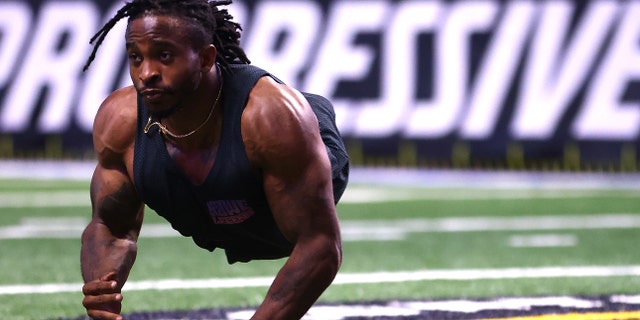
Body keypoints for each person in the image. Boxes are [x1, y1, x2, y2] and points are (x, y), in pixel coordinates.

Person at [79, 0, 349, 319]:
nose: (146, 73)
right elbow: (109, 224)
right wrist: (102, 289)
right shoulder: (120, 122)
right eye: (136, 58)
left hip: (294, 152)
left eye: (164, 56)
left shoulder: (269, 118)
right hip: (210, 209)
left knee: (287, 121)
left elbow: (320, 246)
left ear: (206, 58)